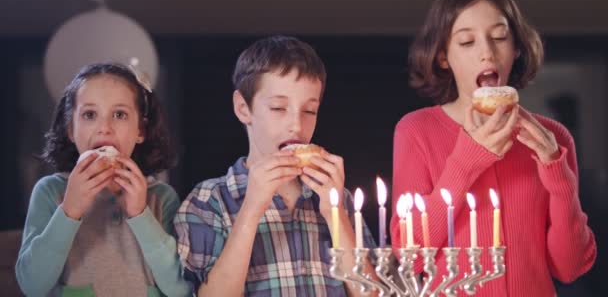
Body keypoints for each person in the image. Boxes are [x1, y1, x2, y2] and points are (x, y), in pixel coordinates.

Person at [390, 0, 596, 296]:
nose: (487, 53)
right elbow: (410, 257)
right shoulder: (416, 130)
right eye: (467, 42)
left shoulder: (554, 138)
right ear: (444, 57)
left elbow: (569, 268)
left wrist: (558, 176)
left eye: (499, 37)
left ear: (516, 48)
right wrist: (467, 161)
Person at [174, 35, 377, 296]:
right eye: (279, 108)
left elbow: (372, 294)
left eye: (309, 111)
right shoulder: (208, 201)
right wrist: (251, 210)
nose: (296, 124)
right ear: (242, 108)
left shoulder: (339, 197)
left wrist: (335, 213)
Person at [15, 62, 192, 297]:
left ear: (140, 130)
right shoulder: (50, 191)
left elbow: (181, 289)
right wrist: (69, 211)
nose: (104, 128)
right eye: (89, 115)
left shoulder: (161, 198)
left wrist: (140, 215)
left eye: (119, 114)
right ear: (71, 129)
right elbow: (32, 286)